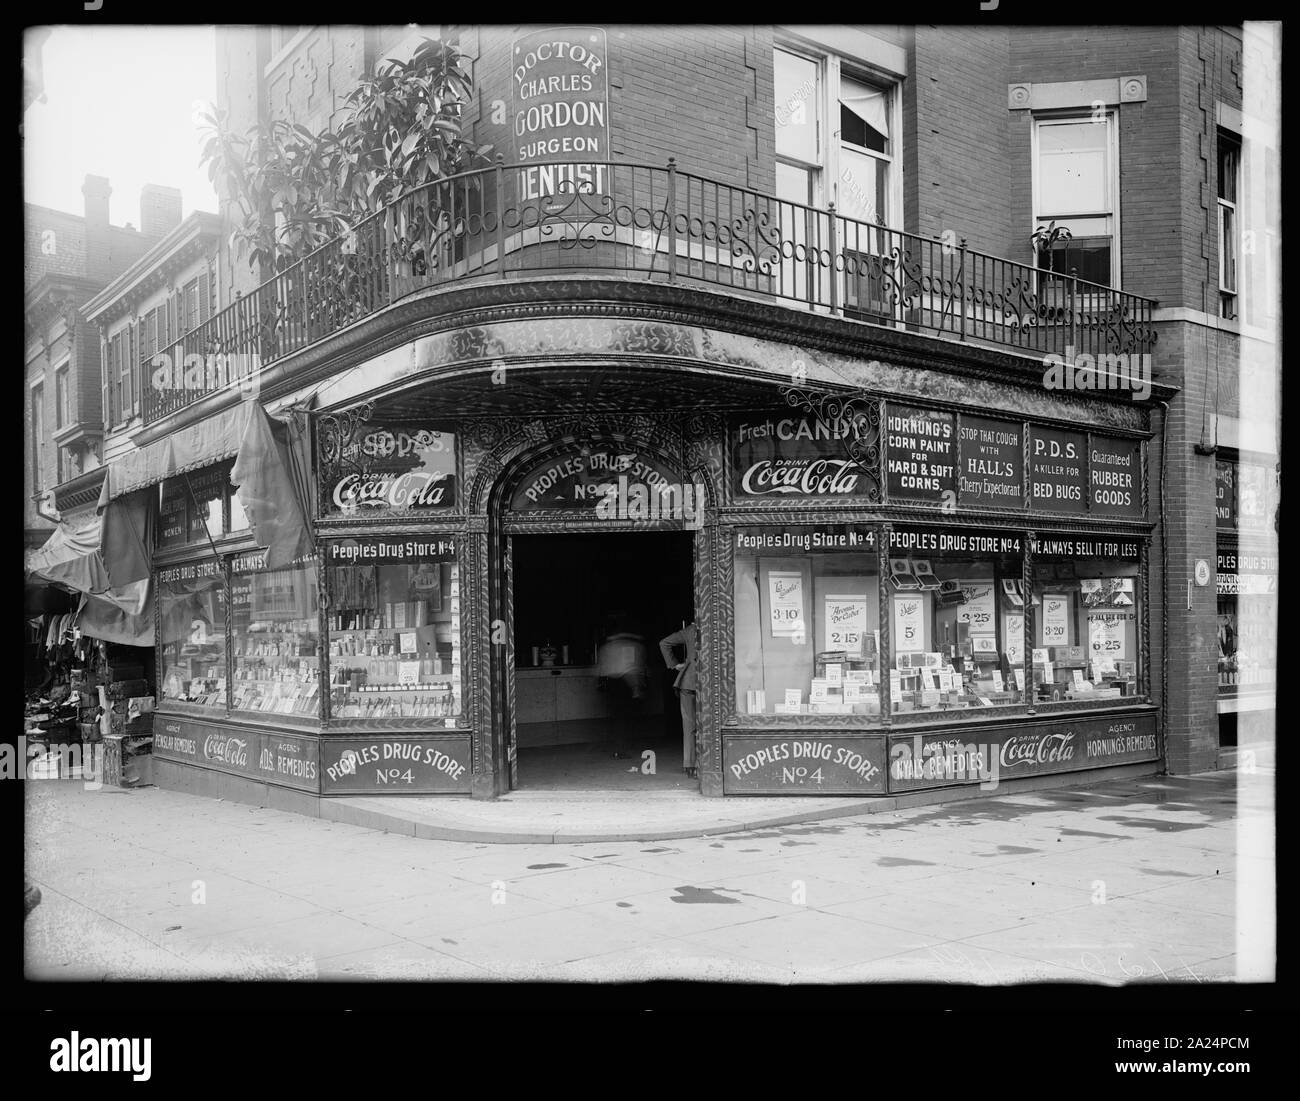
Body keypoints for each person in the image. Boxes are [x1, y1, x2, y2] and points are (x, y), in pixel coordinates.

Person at [597, 617, 649, 759]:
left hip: (611, 684)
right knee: (625, 718)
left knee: (617, 717)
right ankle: (622, 749)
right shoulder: (630, 646)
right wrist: (636, 687)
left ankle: (617, 747)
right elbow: (630, 668)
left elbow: (601, 669)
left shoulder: (606, 647)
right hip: (625, 684)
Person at [659, 620, 699, 776]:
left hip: (688, 680)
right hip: (710, 682)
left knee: (689, 724)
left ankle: (690, 765)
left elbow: (664, 643)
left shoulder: (690, 630)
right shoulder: (716, 627)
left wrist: (675, 665)